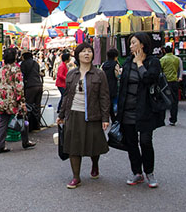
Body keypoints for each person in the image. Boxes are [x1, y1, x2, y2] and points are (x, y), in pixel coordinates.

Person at [57, 42, 110, 189]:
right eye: (83, 51)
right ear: (77, 55)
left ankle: (95, 164)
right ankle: (76, 177)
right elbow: (66, 96)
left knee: (94, 144)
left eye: (89, 51)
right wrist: (61, 114)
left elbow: (104, 97)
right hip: (73, 113)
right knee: (74, 146)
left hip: (93, 114)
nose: (87, 54)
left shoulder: (99, 74)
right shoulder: (71, 74)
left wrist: (105, 118)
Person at [117, 32, 164, 188]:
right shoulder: (127, 62)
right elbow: (123, 87)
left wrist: (139, 64)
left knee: (145, 141)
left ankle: (149, 172)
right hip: (128, 109)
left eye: (133, 43)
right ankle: (137, 172)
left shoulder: (153, 62)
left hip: (146, 109)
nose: (130, 46)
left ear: (142, 44)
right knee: (131, 143)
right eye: (130, 43)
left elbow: (149, 79)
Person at [0, 48, 36, 153]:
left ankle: (0, 145)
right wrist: (22, 101)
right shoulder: (16, 69)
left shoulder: (2, 69)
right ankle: (25, 141)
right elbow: (19, 86)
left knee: (3, 122)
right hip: (13, 99)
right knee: (23, 118)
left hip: (2, 99)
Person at [20, 49, 43, 131]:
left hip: (30, 87)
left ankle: (29, 126)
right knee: (37, 106)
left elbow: (22, 76)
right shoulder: (36, 63)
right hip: (39, 85)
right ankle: (37, 125)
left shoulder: (24, 64)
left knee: (29, 106)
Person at [160, 43, 180, 126]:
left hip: (165, 83)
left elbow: (160, 70)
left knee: (163, 100)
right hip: (174, 82)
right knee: (174, 101)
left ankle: (162, 119)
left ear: (164, 50)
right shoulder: (177, 59)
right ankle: (173, 119)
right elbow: (178, 69)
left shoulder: (162, 59)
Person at [102, 48, 121, 123]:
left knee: (108, 103)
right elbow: (117, 75)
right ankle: (115, 118)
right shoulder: (115, 64)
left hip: (105, 86)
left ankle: (111, 117)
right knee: (115, 102)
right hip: (113, 85)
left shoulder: (104, 64)